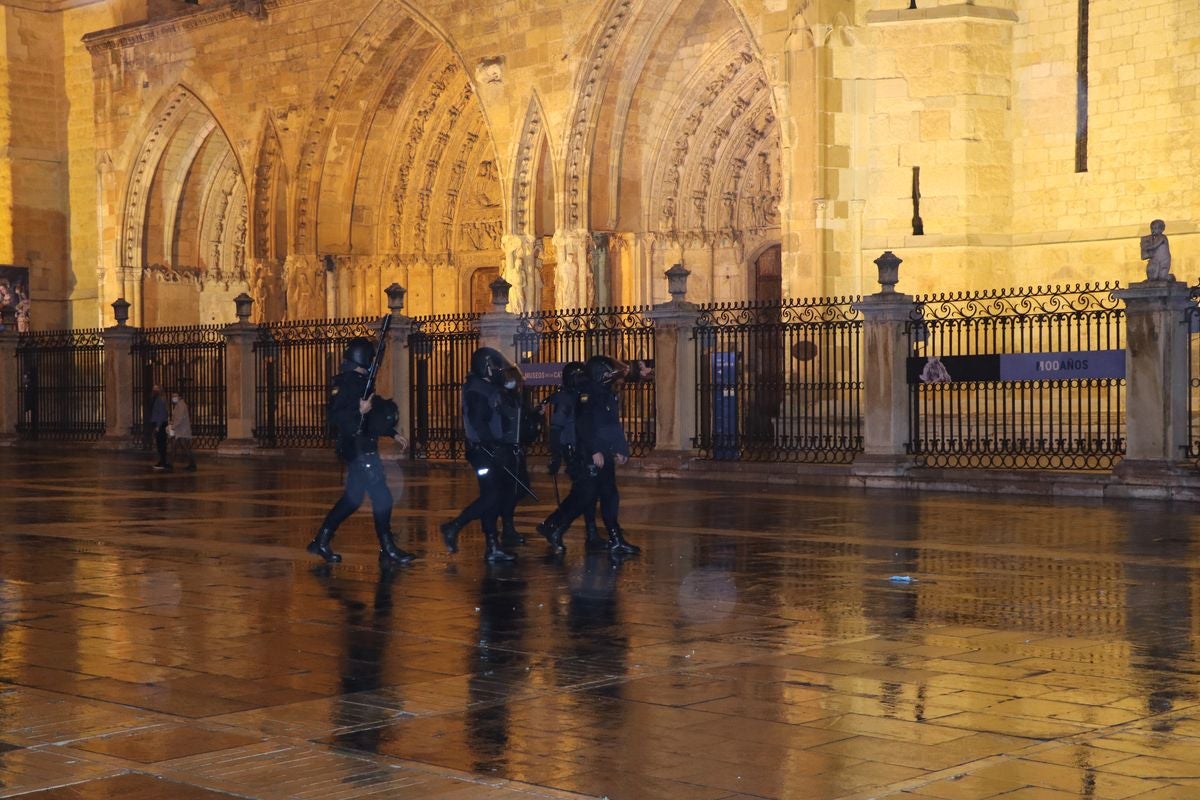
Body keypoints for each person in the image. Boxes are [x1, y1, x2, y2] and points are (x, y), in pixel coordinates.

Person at [306, 337, 415, 568]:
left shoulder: (360, 380)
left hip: (364, 446)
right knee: (382, 497)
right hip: (357, 450)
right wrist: (359, 410)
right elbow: (338, 418)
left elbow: (371, 417)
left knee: (353, 499)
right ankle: (387, 548)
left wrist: (391, 432)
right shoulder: (346, 383)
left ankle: (321, 541)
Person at [540, 355, 640, 557]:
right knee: (585, 496)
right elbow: (584, 426)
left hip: (604, 453)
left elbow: (613, 425)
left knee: (606, 496)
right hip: (590, 455)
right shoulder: (588, 395)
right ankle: (556, 527)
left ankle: (614, 538)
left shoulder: (606, 393)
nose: (611, 377)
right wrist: (594, 450)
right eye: (607, 373)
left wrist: (621, 448)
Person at [439, 347, 519, 563]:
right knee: (492, 496)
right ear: (485, 367)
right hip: (482, 452)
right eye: (494, 367)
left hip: (490, 450)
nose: (498, 371)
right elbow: (478, 423)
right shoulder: (477, 389)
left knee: (493, 496)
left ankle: (492, 545)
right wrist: (492, 447)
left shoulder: (487, 387)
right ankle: (453, 526)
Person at [537, 362, 604, 553]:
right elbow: (557, 428)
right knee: (585, 494)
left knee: (586, 494)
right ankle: (557, 527)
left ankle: (585, 532)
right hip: (574, 452)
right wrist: (556, 456)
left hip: (583, 449)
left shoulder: (580, 395)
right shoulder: (566, 398)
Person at [497, 365, 543, 549]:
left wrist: (537, 416)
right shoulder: (500, 397)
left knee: (520, 488)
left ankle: (507, 525)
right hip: (506, 450)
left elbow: (524, 420)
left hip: (517, 448)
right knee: (510, 489)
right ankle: (505, 528)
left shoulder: (517, 398)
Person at [168, 390, 197, 471]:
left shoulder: (181, 405)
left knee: (184, 447)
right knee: (175, 446)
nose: (173, 397)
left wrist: (173, 426)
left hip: (182, 430)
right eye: (173, 396)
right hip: (179, 430)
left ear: (179, 397)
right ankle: (170, 463)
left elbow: (179, 419)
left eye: (175, 396)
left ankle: (192, 464)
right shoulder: (178, 405)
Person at [149, 385, 170, 470]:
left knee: (161, 444)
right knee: (160, 444)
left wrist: (158, 426)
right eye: (153, 388)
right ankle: (162, 461)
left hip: (160, 424)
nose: (154, 390)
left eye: (156, 389)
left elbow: (161, 414)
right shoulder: (158, 399)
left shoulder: (159, 400)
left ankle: (163, 462)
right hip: (161, 423)